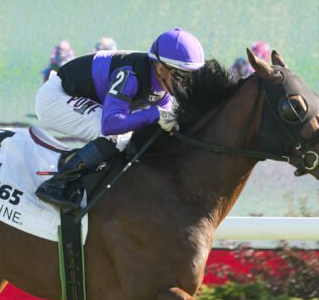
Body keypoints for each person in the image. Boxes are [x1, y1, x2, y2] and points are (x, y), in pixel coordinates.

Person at [34, 28, 205, 210]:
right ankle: (57, 185)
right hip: (55, 98)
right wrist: (155, 114)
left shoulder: (163, 88)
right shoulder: (130, 75)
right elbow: (111, 124)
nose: (185, 85)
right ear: (161, 68)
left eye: (191, 77)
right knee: (116, 134)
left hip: (78, 96)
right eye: (181, 76)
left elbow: (164, 127)